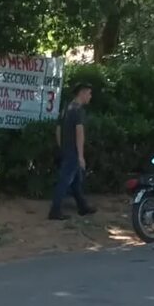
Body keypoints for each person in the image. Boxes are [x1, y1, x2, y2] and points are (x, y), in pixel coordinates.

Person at [49, 83, 97, 220]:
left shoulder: (66, 108)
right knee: (65, 181)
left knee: (75, 181)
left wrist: (61, 147)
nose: (90, 96)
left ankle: (83, 206)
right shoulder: (77, 110)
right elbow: (79, 133)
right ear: (82, 93)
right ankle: (55, 210)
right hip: (73, 152)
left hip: (66, 150)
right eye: (89, 93)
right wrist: (81, 156)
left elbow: (58, 129)